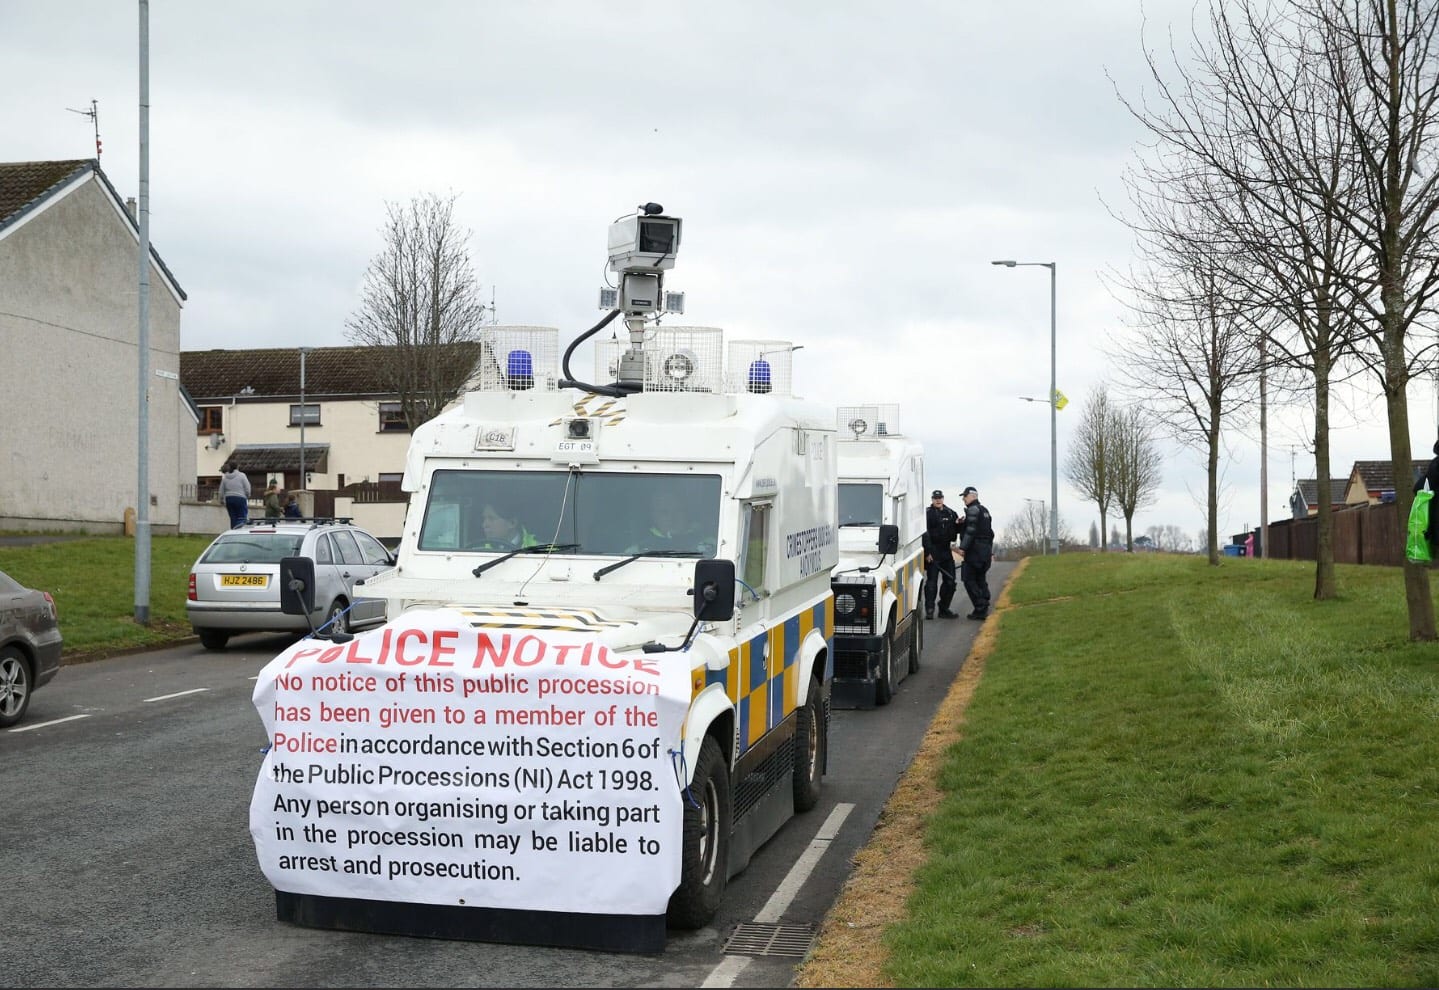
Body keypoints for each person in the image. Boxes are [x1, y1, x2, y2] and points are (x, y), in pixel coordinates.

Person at [956, 485, 995, 620]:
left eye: (965, 497)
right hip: (985, 550)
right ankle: (984, 602)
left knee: (968, 579)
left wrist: (963, 547)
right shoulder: (985, 511)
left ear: (972, 496)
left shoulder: (973, 510)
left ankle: (980, 607)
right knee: (980, 578)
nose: (963, 500)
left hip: (975, 550)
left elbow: (971, 531)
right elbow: (990, 533)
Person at [922, 489, 961, 619]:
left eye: (940, 498)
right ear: (932, 499)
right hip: (932, 551)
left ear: (943, 499)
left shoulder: (950, 513)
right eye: (935, 498)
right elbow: (924, 534)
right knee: (932, 583)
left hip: (946, 551)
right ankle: (929, 609)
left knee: (950, 581)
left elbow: (958, 529)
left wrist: (961, 523)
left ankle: (944, 609)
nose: (938, 500)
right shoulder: (927, 514)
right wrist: (927, 552)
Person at [217, 461, 251, 528]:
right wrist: (247, 495)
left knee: (233, 518)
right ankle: (240, 531)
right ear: (237, 467)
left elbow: (221, 491)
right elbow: (247, 487)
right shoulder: (242, 475)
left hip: (229, 499)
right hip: (240, 498)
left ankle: (233, 530)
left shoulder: (225, 477)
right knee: (242, 517)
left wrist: (222, 499)